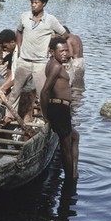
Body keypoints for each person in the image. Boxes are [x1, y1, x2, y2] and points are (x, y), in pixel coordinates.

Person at [8, 0, 68, 117]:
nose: (33, 5)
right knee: (15, 91)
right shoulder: (24, 16)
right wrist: (19, 47)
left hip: (41, 63)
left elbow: (65, 34)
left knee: (43, 93)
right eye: (32, 2)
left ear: (44, 4)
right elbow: (18, 31)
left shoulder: (50, 19)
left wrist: (52, 44)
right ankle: (8, 116)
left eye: (36, 3)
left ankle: (47, 118)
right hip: (23, 60)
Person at [40, 37, 79, 180]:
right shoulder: (56, 66)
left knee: (75, 136)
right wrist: (45, 115)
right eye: (61, 51)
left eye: (66, 51)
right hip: (59, 109)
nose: (65, 54)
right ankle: (70, 178)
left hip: (59, 108)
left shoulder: (52, 63)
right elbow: (44, 91)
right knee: (66, 145)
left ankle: (73, 172)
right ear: (51, 52)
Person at [63, 25, 85, 90]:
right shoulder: (77, 37)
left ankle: (72, 96)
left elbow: (71, 54)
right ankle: (79, 96)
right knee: (79, 81)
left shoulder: (68, 40)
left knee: (72, 80)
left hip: (75, 62)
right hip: (82, 60)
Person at [0, 29, 18, 96]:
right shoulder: (12, 52)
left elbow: (14, 75)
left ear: (12, 42)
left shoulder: (17, 52)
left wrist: (2, 88)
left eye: (5, 46)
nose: (5, 49)